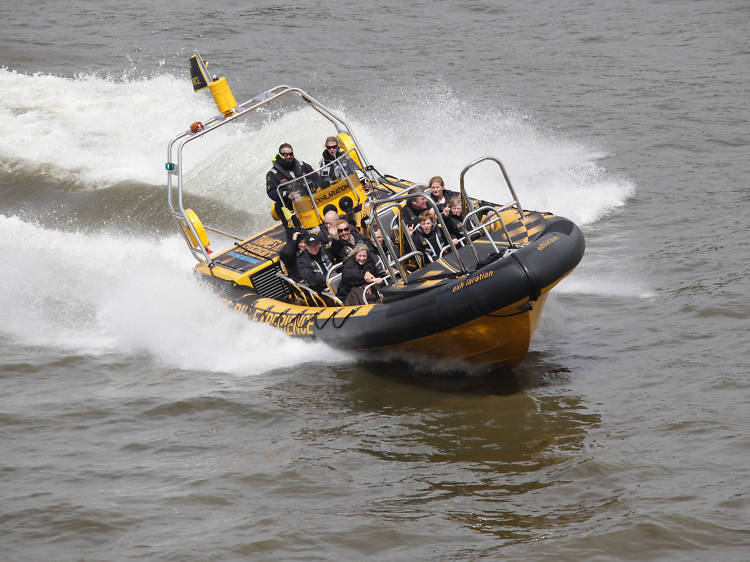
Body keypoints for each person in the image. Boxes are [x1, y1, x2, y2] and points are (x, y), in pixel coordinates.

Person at [265, 143, 319, 235]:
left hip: (308, 199)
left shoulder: (302, 165)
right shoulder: (272, 174)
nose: (289, 157)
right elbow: (272, 192)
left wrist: (313, 185)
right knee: (294, 232)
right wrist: (287, 194)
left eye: (291, 154)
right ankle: (294, 238)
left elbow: (315, 177)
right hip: (288, 205)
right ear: (280, 155)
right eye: (286, 155)